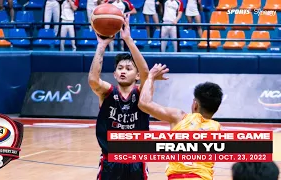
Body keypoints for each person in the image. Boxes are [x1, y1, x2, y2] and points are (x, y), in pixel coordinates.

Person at [88, 14, 150, 180]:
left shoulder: (141, 93)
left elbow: (146, 73)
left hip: (137, 161)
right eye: (120, 68)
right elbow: (93, 80)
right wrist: (101, 46)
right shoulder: (107, 92)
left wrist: (128, 40)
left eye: (128, 68)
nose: (123, 71)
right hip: (111, 161)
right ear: (115, 74)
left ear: (136, 75)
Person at [138, 64, 223, 180]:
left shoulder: (179, 117)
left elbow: (144, 104)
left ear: (195, 104)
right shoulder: (217, 129)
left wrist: (151, 77)